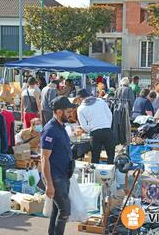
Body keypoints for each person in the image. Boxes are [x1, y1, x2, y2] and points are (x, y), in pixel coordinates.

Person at [41, 96, 77, 235]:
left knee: (57, 210)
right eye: (68, 111)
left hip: (63, 175)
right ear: (59, 112)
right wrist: (49, 184)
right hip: (55, 177)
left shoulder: (61, 126)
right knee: (65, 211)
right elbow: (44, 158)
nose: (71, 114)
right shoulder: (50, 129)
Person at [77, 89, 115, 164]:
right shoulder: (100, 101)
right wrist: (107, 125)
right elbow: (110, 115)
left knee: (95, 157)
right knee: (111, 156)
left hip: (95, 133)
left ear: (80, 98)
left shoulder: (80, 109)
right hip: (107, 130)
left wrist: (91, 129)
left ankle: (95, 175)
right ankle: (110, 174)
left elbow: (84, 126)